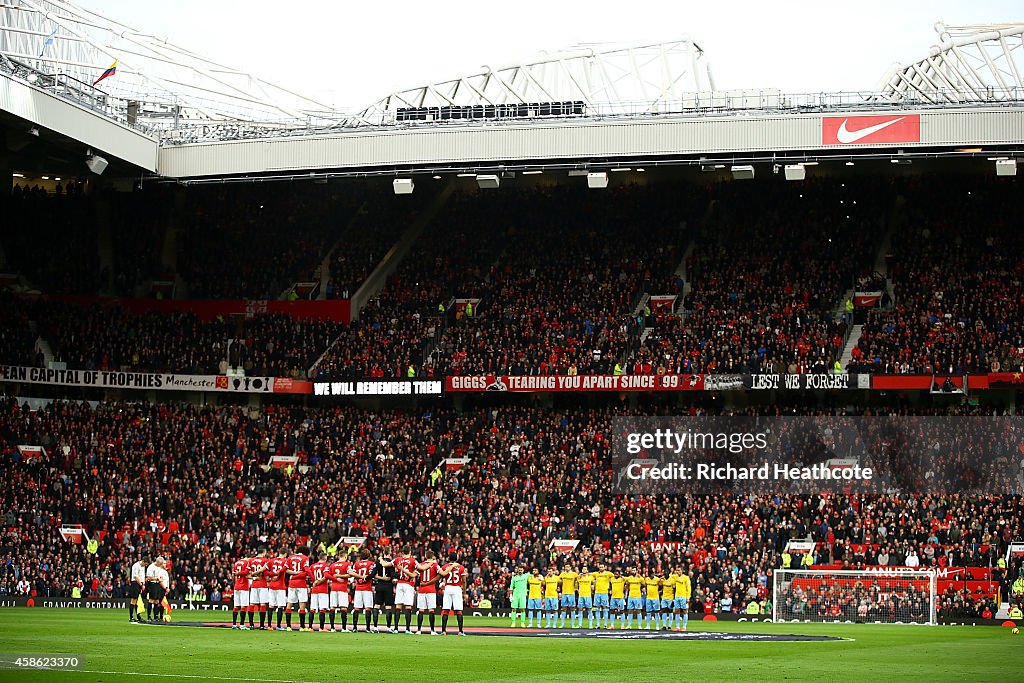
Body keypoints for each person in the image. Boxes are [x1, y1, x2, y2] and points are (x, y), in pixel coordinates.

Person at [437, 555, 468, 636]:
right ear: (457, 558)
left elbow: (440, 575)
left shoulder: (445, 566)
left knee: (446, 610)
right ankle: (460, 631)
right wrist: (464, 593)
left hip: (448, 587)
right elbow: (464, 581)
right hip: (457, 588)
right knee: (458, 611)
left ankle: (443, 631)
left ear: (449, 558)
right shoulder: (461, 567)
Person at [392, 545, 418, 633]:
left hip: (399, 584)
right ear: (410, 551)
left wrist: (381, 559)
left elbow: (387, 564)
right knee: (408, 606)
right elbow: (419, 569)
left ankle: (395, 628)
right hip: (408, 584)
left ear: (402, 552)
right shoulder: (413, 561)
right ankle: (407, 629)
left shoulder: (397, 559)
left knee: (398, 606)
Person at [285, 543, 311, 631]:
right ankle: (302, 626)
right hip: (301, 583)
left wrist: (294, 574)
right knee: (302, 604)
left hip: (292, 583)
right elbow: (307, 570)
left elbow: (286, 570)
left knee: (289, 603)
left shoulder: (290, 558)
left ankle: (288, 626)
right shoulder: (305, 558)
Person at [414, 550, 441, 635]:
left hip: (422, 589)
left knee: (421, 610)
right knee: (431, 610)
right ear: (432, 556)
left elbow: (415, 574)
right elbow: (441, 574)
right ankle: (432, 630)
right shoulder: (435, 565)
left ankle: (419, 630)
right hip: (431, 589)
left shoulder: (421, 565)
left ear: (425, 556)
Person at [351, 548, 377, 633]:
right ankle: (368, 628)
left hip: (358, 588)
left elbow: (353, 573)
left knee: (356, 608)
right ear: (369, 555)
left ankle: (354, 628)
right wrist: (364, 578)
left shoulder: (357, 564)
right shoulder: (371, 564)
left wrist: (359, 578)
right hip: (367, 588)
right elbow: (371, 574)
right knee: (368, 608)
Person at [328, 551, 353, 632]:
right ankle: (344, 628)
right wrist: (340, 576)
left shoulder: (332, 565)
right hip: (342, 588)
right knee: (343, 608)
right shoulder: (347, 564)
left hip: (333, 588)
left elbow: (329, 576)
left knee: (332, 607)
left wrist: (335, 578)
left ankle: (332, 628)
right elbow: (350, 574)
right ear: (345, 556)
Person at [372, 550, 396, 633]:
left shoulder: (378, 563)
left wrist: (380, 578)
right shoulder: (391, 563)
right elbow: (393, 575)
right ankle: (388, 628)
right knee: (388, 607)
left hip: (379, 586)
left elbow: (373, 574)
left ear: (383, 553)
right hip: (388, 587)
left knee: (376, 606)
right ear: (389, 554)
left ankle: (375, 627)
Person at [307, 552, 331, 631]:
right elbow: (326, 576)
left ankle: (310, 627)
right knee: (322, 609)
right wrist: (319, 581)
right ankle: (321, 628)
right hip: (323, 589)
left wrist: (314, 582)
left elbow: (308, 575)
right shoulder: (326, 566)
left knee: (312, 608)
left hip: (314, 589)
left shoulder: (313, 566)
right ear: (325, 558)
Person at [247, 549, 270, 630]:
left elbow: (247, 574)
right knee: (263, 604)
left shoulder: (251, 560)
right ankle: (262, 625)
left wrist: (253, 577)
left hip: (254, 584)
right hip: (262, 584)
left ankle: (251, 624)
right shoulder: (265, 560)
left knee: (252, 604)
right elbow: (266, 573)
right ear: (264, 552)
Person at [266, 552, 288, 631]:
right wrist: (278, 576)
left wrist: (272, 574)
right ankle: (278, 626)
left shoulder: (271, 561)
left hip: (272, 586)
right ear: (285, 554)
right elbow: (283, 571)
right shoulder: (285, 561)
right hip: (280, 586)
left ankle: (269, 625)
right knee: (280, 606)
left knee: (271, 605)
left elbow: (265, 572)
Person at [230, 555, 251, 629]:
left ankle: (234, 624)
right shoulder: (247, 563)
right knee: (243, 606)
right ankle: (242, 625)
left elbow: (233, 575)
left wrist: (234, 584)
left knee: (236, 606)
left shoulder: (236, 563)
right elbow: (246, 572)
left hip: (236, 586)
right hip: (243, 586)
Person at [145, 556, 166, 623]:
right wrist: (157, 579)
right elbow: (148, 577)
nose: (161, 565)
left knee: (157, 601)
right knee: (151, 600)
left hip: (158, 584)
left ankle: (156, 617)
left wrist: (160, 578)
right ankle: (149, 616)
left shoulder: (159, 567)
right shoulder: (151, 567)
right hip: (152, 584)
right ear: (158, 562)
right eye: (160, 563)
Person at [129, 553, 148, 624]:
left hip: (140, 584)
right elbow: (136, 577)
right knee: (133, 600)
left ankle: (138, 616)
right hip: (135, 584)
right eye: (145, 564)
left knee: (138, 600)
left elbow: (142, 576)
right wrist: (141, 584)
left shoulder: (142, 566)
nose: (145, 565)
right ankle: (131, 617)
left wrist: (143, 584)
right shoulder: (136, 566)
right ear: (143, 561)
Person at [593, 563, 614, 628]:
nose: (601, 568)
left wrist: (610, 588)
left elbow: (614, 576)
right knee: (597, 608)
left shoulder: (608, 574)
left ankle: (605, 624)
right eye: (600, 567)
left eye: (602, 567)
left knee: (605, 608)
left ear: (604, 567)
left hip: (604, 593)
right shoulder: (596, 574)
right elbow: (589, 574)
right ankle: (598, 624)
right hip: (597, 593)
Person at [674, 566, 691, 632]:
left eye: (679, 570)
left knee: (684, 611)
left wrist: (688, 597)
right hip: (677, 596)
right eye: (677, 570)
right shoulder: (675, 577)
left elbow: (688, 588)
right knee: (677, 611)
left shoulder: (686, 578)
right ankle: (677, 626)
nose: (678, 572)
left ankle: (684, 627)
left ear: (682, 570)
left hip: (683, 597)